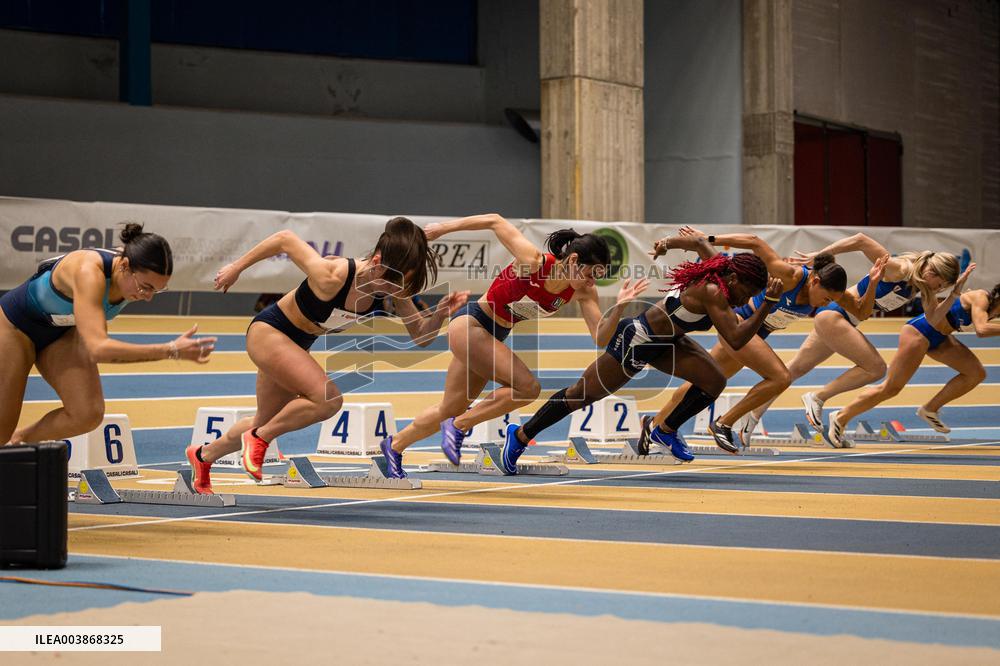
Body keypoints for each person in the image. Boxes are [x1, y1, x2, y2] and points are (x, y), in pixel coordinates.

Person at [185, 217, 468, 493]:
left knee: (264, 420)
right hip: (269, 333)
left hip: (296, 345)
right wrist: (236, 267)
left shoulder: (392, 287)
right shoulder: (332, 274)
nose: (396, 293)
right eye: (394, 285)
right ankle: (258, 439)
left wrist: (440, 314)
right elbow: (284, 239)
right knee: (328, 399)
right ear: (378, 263)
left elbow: (421, 336)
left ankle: (203, 455)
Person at [377, 213, 633, 479]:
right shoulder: (532, 262)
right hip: (471, 325)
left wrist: (620, 306)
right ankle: (461, 425)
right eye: (592, 274)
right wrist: (443, 228)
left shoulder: (582, 291)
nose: (593, 282)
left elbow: (600, 338)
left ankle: (394, 446)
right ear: (573, 260)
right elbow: (495, 221)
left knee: (449, 408)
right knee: (528, 388)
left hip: (492, 336)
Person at [500, 233, 782, 471]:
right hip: (639, 338)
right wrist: (767, 304)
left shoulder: (719, 265)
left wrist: (665, 244)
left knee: (714, 381)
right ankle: (521, 436)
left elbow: (696, 241)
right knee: (581, 395)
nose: (746, 300)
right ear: (732, 278)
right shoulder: (713, 292)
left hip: (669, 341)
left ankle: (663, 430)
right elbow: (735, 339)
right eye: (747, 293)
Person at [1, 223, 215, 444]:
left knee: (87, 414)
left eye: (157, 290)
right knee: (1, 430)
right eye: (145, 286)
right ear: (124, 265)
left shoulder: (129, 268)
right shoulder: (89, 272)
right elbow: (98, 349)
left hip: (61, 331)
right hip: (16, 325)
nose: (148, 296)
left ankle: (18, 442)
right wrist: (170, 350)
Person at [646, 228, 851, 453]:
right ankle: (724, 423)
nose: (825, 304)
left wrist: (873, 283)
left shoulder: (822, 294)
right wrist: (710, 239)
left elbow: (862, 307)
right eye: (826, 298)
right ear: (815, 281)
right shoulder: (790, 276)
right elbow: (755, 242)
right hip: (737, 324)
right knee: (781, 378)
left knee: (700, 383)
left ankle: (653, 426)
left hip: (755, 335)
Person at [752, 235, 959, 433]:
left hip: (841, 319)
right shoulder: (900, 269)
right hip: (836, 315)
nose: (939, 289)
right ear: (932, 272)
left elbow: (933, 318)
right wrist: (821, 254)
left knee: (794, 370)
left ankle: (751, 418)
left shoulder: (919, 286)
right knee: (876, 368)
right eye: (940, 285)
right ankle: (817, 397)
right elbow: (861, 240)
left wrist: (955, 294)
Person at [826, 266, 988, 447]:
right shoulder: (982, 298)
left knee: (976, 373)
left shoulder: (993, 308)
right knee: (891, 388)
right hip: (919, 332)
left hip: (941, 338)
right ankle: (840, 417)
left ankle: (930, 409)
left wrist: (956, 291)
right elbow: (982, 329)